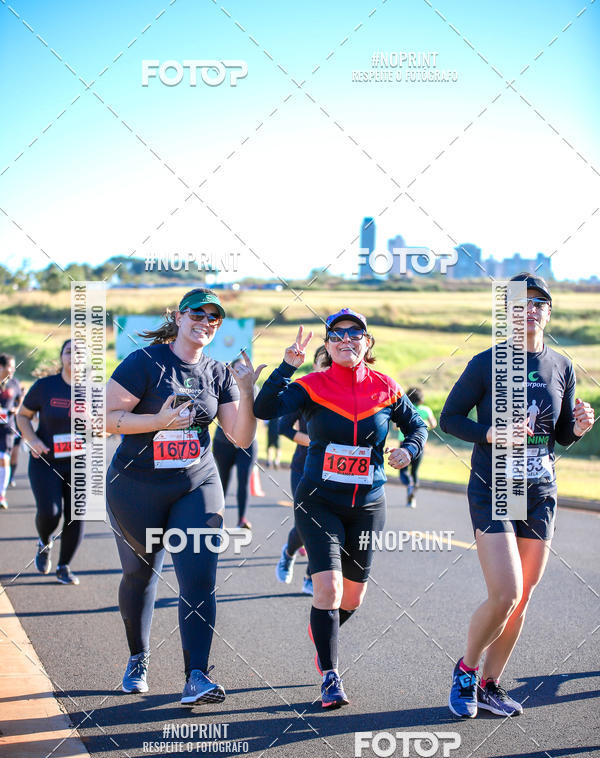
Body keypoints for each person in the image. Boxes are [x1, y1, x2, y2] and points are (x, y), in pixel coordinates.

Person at [254, 309, 428, 708]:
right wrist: (286, 367)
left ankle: (324, 634)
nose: (346, 339)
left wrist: (408, 448)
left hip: (368, 505)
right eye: (336, 334)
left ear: (368, 343)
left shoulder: (386, 387)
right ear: (328, 345)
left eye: (355, 333)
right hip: (319, 500)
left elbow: (417, 427)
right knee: (328, 590)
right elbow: (264, 410)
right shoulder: (312, 384)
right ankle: (331, 675)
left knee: (352, 599)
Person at [440, 274, 595, 718]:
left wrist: (579, 427)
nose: (529, 309)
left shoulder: (560, 366)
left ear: (549, 311)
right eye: (519, 303)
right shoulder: (488, 361)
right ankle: (466, 671)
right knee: (505, 592)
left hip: (541, 488)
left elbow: (560, 433)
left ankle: (490, 685)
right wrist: (489, 431)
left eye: (538, 302)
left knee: (523, 596)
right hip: (496, 485)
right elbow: (449, 418)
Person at [105, 288, 262, 705]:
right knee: (140, 574)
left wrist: (247, 392)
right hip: (137, 486)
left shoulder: (217, 372)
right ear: (179, 316)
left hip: (196, 484)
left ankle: (197, 676)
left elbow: (239, 436)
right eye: (198, 313)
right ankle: (138, 657)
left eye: (214, 317)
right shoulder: (145, 362)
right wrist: (157, 420)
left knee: (198, 577)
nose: (206, 321)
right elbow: (104, 420)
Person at [16, 341, 85, 584]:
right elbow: (22, 416)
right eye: (69, 351)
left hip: (80, 464)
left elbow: (108, 427)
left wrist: (100, 427)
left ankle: (64, 567)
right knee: (50, 512)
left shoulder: (96, 391)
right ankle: (44, 541)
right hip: (46, 461)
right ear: (61, 357)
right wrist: (32, 439)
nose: (75, 356)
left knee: (77, 516)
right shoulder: (45, 386)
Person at [275, 344, 329, 595]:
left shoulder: (350, 394)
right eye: (323, 361)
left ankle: (311, 576)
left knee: (326, 524)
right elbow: (283, 428)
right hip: (303, 467)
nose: (329, 364)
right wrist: (316, 443)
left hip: (335, 471)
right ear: (315, 366)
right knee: (307, 521)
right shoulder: (304, 391)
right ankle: (288, 553)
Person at [212, 359, 259, 530]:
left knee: (243, 480)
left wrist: (249, 390)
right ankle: (219, 519)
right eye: (236, 370)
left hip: (247, 445)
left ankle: (242, 519)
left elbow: (260, 413)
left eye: (244, 370)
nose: (240, 373)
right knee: (222, 481)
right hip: (223, 443)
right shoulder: (223, 388)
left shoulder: (254, 388)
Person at [398, 387, 437, 508]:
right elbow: (433, 424)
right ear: (421, 399)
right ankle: (412, 495)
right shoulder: (426, 410)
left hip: (403, 445)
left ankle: (408, 484)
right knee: (414, 471)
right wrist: (422, 429)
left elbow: (395, 426)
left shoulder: (404, 409)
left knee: (403, 470)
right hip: (419, 446)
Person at [0, 354, 22, 509]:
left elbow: (21, 398)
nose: (13, 369)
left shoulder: (14, 383)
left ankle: (1, 494)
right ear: (1, 367)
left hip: (7, 428)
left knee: (4, 458)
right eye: (10, 366)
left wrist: (17, 408)